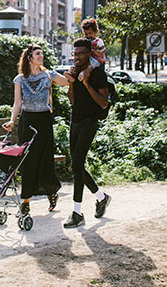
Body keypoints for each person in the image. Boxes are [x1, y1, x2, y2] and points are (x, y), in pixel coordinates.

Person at [3, 44, 69, 216]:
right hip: (27, 121)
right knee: (27, 161)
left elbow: (68, 81)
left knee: (45, 159)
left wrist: (82, 68)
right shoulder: (20, 79)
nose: (41, 56)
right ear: (29, 57)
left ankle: (51, 192)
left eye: (42, 54)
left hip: (44, 121)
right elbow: (17, 103)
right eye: (37, 54)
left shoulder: (49, 75)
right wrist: (12, 121)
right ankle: (25, 202)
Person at [64, 38, 111, 228]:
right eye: (75, 54)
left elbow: (103, 102)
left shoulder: (98, 73)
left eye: (81, 53)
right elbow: (73, 101)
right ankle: (101, 197)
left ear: (89, 54)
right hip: (74, 121)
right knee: (76, 166)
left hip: (89, 122)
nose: (77, 57)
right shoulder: (75, 72)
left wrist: (86, 85)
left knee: (77, 164)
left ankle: (77, 213)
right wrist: (72, 83)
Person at [65, 18, 106, 83]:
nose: (88, 36)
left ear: (95, 32)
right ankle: (71, 73)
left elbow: (103, 49)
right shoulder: (87, 41)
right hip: (90, 57)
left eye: (90, 33)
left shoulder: (98, 41)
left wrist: (99, 52)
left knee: (91, 65)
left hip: (97, 59)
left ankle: (84, 74)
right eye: (86, 34)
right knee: (78, 62)